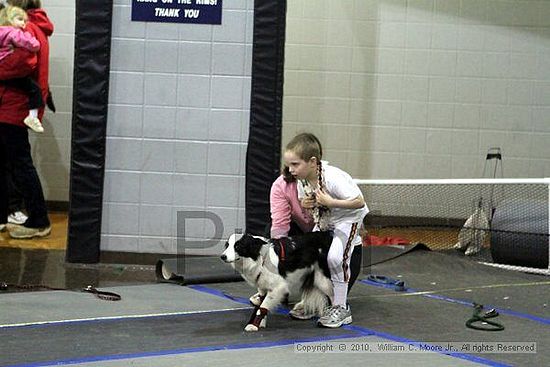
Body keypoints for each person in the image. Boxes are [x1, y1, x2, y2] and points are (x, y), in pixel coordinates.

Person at [283, 133, 369, 328]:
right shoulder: (302, 180)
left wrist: (331, 202)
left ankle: (341, 308)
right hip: (326, 220)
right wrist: (307, 204)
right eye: (289, 165)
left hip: (348, 219)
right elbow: (308, 204)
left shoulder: (333, 176)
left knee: (335, 258)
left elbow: (359, 201)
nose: (290, 170)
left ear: (312, 162)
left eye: (295, 164)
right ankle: (315, 303)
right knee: (310, 255)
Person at [0, 0, 53, 239]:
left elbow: (23, 63)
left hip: (12, 106)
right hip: (13, 104)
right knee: (9, 163)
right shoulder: (35, 25)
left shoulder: (26, 27)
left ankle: (39, 219)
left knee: (20, 165)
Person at [0, 4, 43, 132]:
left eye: (25, 21)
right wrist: (35, 43)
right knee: (35, 90)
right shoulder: (13, 32)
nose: (24, 24)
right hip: (8, 68)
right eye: (20, 20)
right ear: (9, 19)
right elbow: (30, 44)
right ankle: (32, 116)